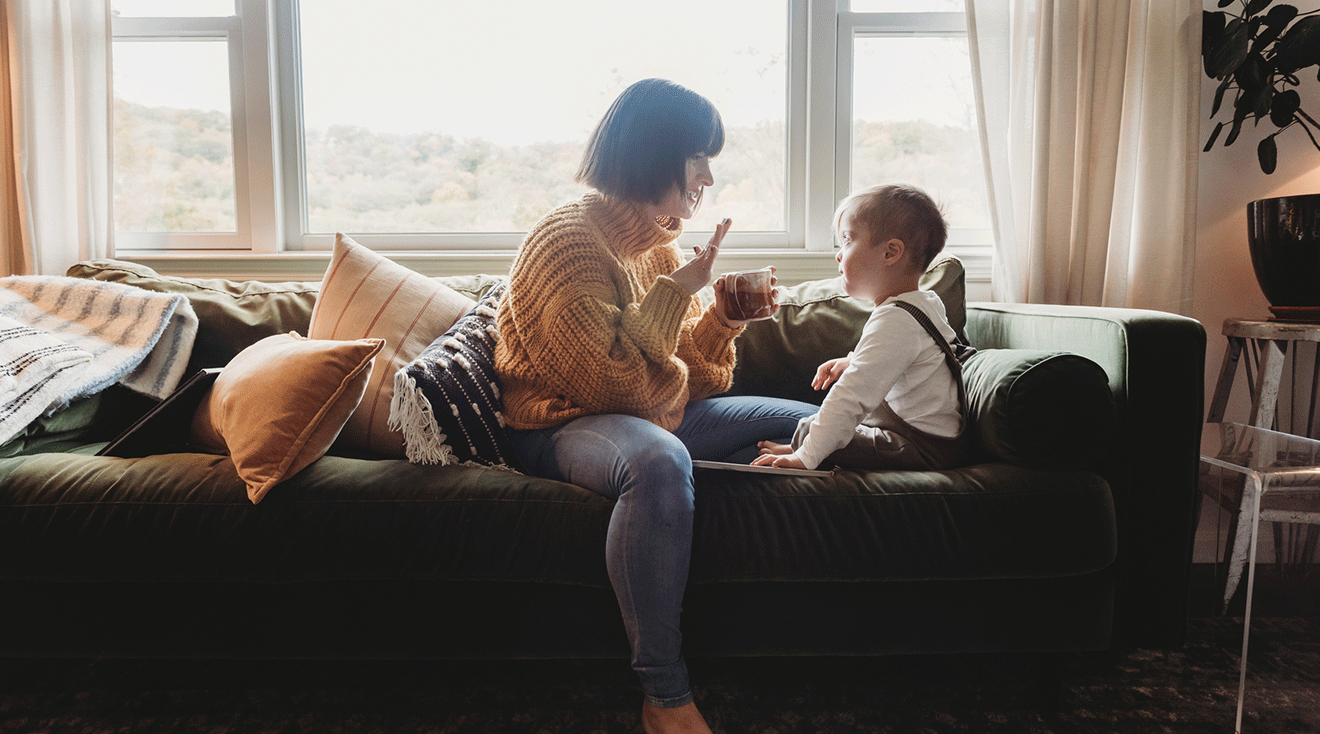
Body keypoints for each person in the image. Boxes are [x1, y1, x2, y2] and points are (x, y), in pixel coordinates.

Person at [493, 78, 818, 734]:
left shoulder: (657, 243)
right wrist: (676, 292)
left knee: (806, 420)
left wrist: (721, 317)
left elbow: (688, 377)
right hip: (563, 422)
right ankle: (664, 694)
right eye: (698, 157)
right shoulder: (568, 241)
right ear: (653, 153)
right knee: (661, 462)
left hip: (645, 413)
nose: (707, 177)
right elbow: (610, 386)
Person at [752, 183, 970, 473]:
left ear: (890, 253)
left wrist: (804, 460)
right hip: (935, 440)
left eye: (847, 240)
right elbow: (912, 358)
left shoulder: (894, 319)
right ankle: (803, 444)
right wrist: (852, 360)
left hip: (922, 448)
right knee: (814, 424)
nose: (838, 255)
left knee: (833, 420)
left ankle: (803, 451)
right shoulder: (923, 302)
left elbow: (851, 396)